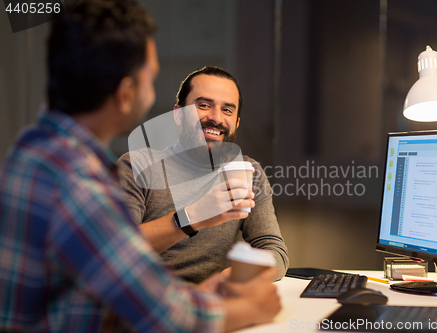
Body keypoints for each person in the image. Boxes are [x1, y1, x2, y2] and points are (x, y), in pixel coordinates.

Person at [0, 0, 281, 332]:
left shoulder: (35, 149)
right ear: (126, 93)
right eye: (151, 78)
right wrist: (249, 309)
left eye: (227, 109)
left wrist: (197, 293)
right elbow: (165, 317)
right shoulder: (79, 182)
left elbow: (104, 289)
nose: (216, 118)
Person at [116, 66, 289, 284]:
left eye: (227, 110)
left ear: (236, 123)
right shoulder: (138, 165)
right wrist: (191, 217)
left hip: (209, 302)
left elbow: (274, 251)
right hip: (148, 302)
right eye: (204, 105)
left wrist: (228, 280)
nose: (216, 118)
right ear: (178, 115)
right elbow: (117, 250)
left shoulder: (247, 172)